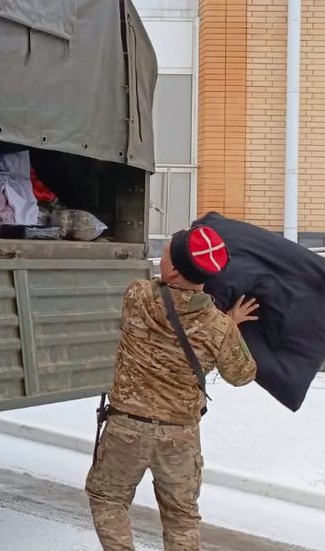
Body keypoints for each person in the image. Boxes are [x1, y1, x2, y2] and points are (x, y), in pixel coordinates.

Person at [86, 225, 258, 551]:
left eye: (164, 252)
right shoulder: (218, 326)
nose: (160, 256)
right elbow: (242, 375)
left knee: (107, 497)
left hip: (126, 428)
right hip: (179, 436)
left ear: (174, 269)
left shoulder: (137, 295)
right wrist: (230, 328)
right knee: (181, 518)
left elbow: (163, 299)